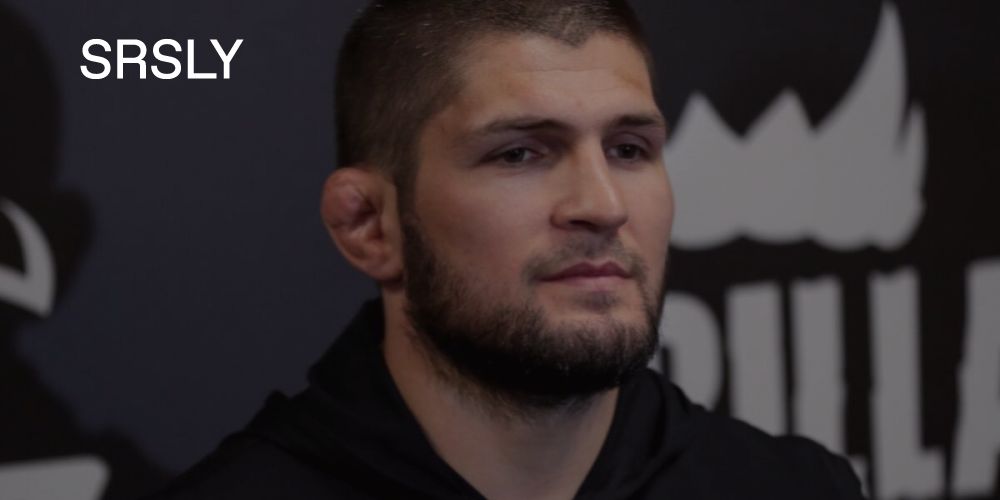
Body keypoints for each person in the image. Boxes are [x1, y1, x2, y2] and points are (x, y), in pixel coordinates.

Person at [147, 1, 865, 498]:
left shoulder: (792, 489)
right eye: (520, 153)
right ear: (369, 225)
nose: (603, 206)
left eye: (628, 148)